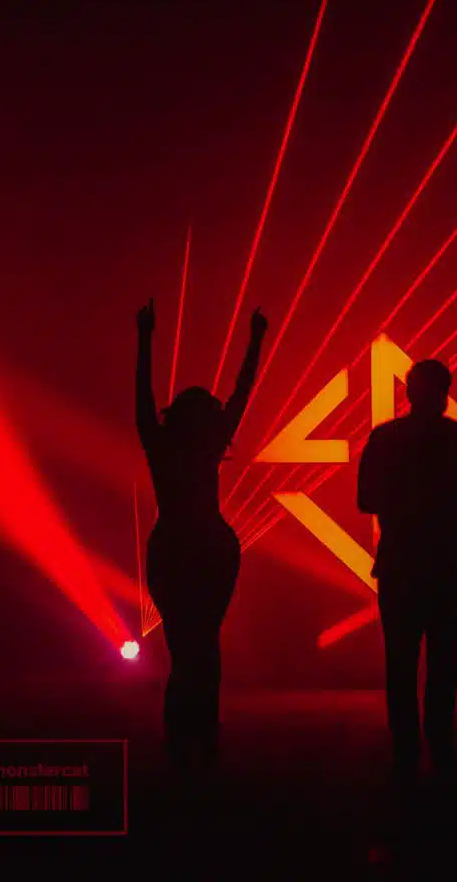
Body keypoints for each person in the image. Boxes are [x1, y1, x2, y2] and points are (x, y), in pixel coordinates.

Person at [135, 298, 267, 771]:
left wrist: (145, 338)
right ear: (208, 420)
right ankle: (203, 733)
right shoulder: (208, 445)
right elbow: (242, 392)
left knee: (184, 646)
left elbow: (143, 401)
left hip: (173, 547)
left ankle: (182, 735)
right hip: (211, 547)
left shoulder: (161, 446)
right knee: (205, 643)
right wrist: (256, 338)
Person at [358, 359, 457, 783]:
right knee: (444, 658)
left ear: (409, 392)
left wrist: (404, 506)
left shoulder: (385, 438)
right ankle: (439, 744)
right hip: (445, 563)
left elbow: (365, 499)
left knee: (401, 660)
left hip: (401, 562)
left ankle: (406, 749)